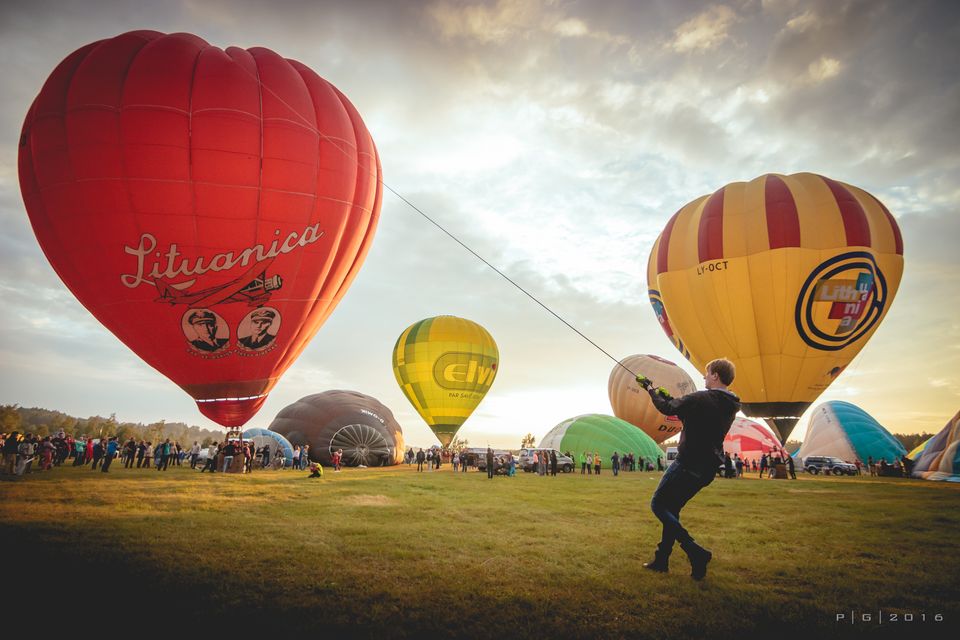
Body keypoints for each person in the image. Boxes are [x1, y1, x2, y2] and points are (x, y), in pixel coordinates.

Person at [640, 358, 740, 581]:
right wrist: (669, 397)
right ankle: (662, 560)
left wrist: (649, 389)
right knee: (672, 510)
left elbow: (667, 408)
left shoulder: (702, 398)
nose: (704, 377)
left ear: (715, 375)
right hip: (707, 469)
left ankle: (694, 551)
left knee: (658, 504)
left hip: (687, 463)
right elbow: (689, 413)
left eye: (707, 374)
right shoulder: (730, 404)